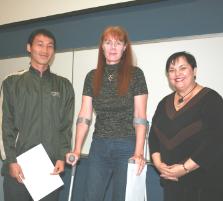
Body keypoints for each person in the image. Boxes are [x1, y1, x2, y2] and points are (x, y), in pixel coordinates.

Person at [66, 26, 148, 201]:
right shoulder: (92, 76)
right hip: (99, 146)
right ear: (102, 46)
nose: (112, 47)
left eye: (118, 43)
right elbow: (84, 116)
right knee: (91, 197)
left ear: (125, 47)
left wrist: (139, 152)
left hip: (126, 146)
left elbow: (140, 116)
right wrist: (77, 149)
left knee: (122, 197)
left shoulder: (135, 74)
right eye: (108, 42)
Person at [0, 28, 75, 201]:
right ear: (29, 47)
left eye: (50, 46)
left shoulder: (63, 86)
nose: (45, 50)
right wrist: (10, 161)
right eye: (39, 45)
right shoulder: (12, 82)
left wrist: (61, 157)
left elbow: (66, 126)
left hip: (48, 168)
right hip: (19, 166)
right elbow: (5, 124)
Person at [149, 51, 223, 201]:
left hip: (204, 184)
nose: (177, 73)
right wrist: (158, 164)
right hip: (172, 182)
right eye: (172, 70)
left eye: (182, 68)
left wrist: (184, 169)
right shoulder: (164, 103)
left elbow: (216, 140)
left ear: (194, 71)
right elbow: (154, 136)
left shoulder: (211, 99)